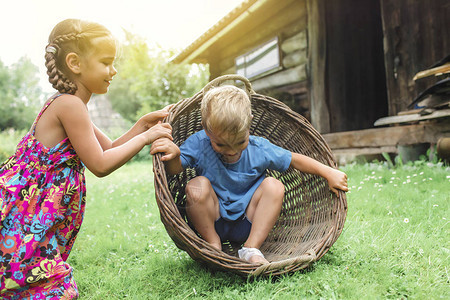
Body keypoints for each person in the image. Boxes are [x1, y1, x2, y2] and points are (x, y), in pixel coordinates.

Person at [0, 19, 173, 299]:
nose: (113, 70)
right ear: (75, 63)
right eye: (106, 62)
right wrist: (146, 137)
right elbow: (100, 165)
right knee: (46, 288)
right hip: (23, 217)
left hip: (32, 217)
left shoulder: (71, 105)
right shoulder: (69, 105)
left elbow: (110, 148)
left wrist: (141, 125)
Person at [150, 85, 348, 265]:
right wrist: (175, 155)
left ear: (249, 125)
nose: (231, 151)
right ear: (205, 128)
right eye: (221, 144)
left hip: (249, 220)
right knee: (196, 185)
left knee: (274, 185)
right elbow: (175, 170)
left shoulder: (259, 147)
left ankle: (250, 248)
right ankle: (213, 243)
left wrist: (327, 171)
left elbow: (294, 159)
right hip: (213, 217)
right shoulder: (199, 142)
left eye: (240, 142)